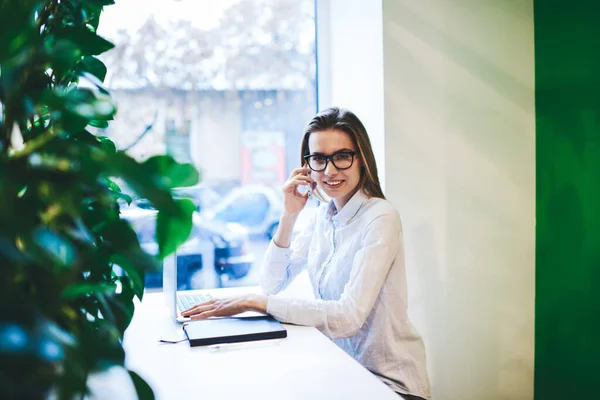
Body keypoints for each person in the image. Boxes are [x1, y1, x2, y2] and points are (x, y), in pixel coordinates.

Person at [182, 107, 431, 399]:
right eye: (319, 159)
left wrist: (256, 302)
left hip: (390, 384)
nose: (329, 170)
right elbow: (272, 283)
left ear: (362, 159)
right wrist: (289, 216)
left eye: (342, 156)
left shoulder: (381, 217)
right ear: (307, 166)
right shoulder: (321, 218)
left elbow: (348, 316)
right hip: (346, 374)